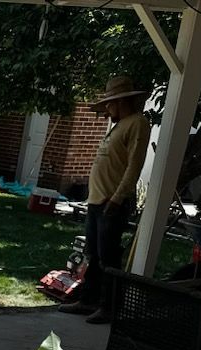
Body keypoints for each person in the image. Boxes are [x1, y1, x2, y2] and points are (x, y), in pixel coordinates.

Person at [61, 75, 150, 325]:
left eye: (110, 104)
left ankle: (109, 306)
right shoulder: (118, 126)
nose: (107, 109)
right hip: (97, 201)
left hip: (113, 202)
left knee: (109, 257)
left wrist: (118, 197)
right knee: (93, 253)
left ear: (121, 102)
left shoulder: (137, 124)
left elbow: (134, 165)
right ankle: (88, 299)